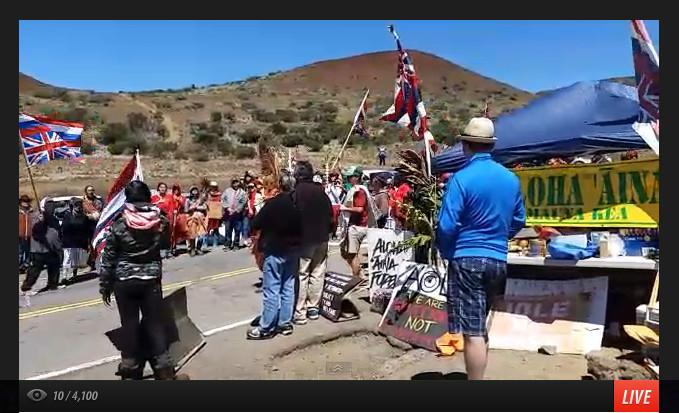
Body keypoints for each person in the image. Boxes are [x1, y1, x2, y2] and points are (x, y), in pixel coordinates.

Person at [435, 117, 526, 380]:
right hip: (498, 259)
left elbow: (447, 225)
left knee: (472, 331)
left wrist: (448, 251)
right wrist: (499, 236)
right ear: (490, 146)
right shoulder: (510, 179)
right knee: (480, 325)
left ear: (465, 145)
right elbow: (519, 220)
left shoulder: (461, 179)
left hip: (467, 258)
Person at [99, 180, 188, 380]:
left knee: (129, 325)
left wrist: (105, 286)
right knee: (155, 325)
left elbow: (109, 257)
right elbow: (166, 243)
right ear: (148, 197)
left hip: (124, 282)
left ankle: (131, 368)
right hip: (150, 280)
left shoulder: (119, 223)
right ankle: (164, 370)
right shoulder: (160, 222)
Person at [247, 174, 301, 339]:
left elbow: (256, 223)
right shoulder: (297, 204)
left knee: (272, 289)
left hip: (275, 250)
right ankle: (285, 322)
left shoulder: (273, 204)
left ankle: (267, 327)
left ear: (280, 186)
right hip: (293, 250)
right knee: (288, 287)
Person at [292, 161, 333, 325]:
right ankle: (313, 308)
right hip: (322, 237)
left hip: (304, 238)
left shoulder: (296, 193)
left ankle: (300, 311)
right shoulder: (321, 192)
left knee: (302, 274)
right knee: (318, 272)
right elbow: (331, 215)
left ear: (297, 175)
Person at [21, 198, 63, 295]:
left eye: (52, 204)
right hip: (40, 247)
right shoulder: (37, 216)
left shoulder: (53, 217)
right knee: (36, 268)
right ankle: (26, 287)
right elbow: (34, 229)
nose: (51, 206)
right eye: (49, 204)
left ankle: (53, 284)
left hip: (52, 247)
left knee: (54, 266)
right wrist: (40, 221)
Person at [339, 166, 374, 283]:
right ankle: (360, 276)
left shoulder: (359, 191)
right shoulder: (357, 189)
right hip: (356, 225)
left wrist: (344, 208)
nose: (348, 179)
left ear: (357, 177)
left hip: (357, 226)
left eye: (350, 177)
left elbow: (359, 209)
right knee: (347, 253)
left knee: (352, 255)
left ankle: (356, 280)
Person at [60, 198, 91, 284]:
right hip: (68, 241)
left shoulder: (84, 217)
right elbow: (64, 228)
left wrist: (87, 242)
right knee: (67, 259)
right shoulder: (68, 216)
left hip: (80, 241)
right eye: (76, 205)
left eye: (80, 205)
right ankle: (64, 277)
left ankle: (74, 275)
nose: (78, 207)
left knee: (76, 260)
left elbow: (87, 230)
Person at [221, 179, 247, 250]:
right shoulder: (227, 191)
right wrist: (227, 207)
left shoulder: (242, 192)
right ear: (232, 184)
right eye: (234, 183)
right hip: (228, 214)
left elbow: (243, 202)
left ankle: (236, 244)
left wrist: (237, 210)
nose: (235, 184)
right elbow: (223, 199)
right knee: (228, 229)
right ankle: (228, 244)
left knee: (237, 230)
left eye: (237, 183)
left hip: (237, 214)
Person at [82, 185, 103, 270]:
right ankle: (92, 261)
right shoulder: (83, 202)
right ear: (86, 191)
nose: (91, 192)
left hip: (97, 224)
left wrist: (98, 214)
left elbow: (101, 210)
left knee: (98, 242)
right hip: (88, 226)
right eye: (89, 190)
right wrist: (89, 216)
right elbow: (82, 213)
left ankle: (98, 260)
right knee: (91, 244)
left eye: (92, 190)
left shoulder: (98, 201)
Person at [151, 183, 174, 258]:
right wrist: (157, 203)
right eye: (161, 187)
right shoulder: (154, 197)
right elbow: (150, 206)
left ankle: (168, 251)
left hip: (166, 218)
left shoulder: (169, 197)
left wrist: (170, 218)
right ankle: (156, 252)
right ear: (158, 188)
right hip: (156, 218)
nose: (162, 189)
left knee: (167, 236)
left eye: (164, 187)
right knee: (156, 236)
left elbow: (171, 208)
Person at [185, 186, 207, 256]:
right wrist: (191, 209)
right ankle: (192, 249)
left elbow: (205, 207)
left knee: (201, 235)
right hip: (192, 218)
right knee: (192, 234)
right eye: (193, 190)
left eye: (196, 190)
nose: (194, 192)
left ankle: (199, 248)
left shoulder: (201, 200)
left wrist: (196, 207)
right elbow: (186, 210)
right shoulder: (188, 200)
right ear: (191, 192)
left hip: (201, 219)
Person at [169, 184, 188, 256]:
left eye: (177, 189)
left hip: (179, 215)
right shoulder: (170, 197)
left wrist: (178, 200)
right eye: (174, 189)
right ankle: (171, 247)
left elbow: (183, 206)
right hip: (171, 215)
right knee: (171, 232)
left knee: (177, 232)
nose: (176, 191)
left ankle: (174, 246)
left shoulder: (182, 198)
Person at [325, 174, 345, 241]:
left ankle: (334, 233)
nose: (333, 178)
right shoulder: (328, 185)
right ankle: (329, 233)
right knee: (329, 220)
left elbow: (337, 195)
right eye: (331, 176)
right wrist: (328, 188)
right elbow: (326, 193)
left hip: (335, 205)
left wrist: (333, 188)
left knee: (335, 220)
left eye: (334, 176)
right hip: (329, 204)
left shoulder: (337, 186)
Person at [205, 182, 223, 249]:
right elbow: (205, 201)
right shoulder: (208, 193)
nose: (213, 187)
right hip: (209, 213)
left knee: (216, 229)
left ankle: (215, 242)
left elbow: (221, 202)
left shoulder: (219, 194)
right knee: (207, 229)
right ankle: (205, 242)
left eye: (214, 186)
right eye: (212, 186)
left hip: (217, 214)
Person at [19, 195, 34, 273]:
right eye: (24, 202)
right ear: (21, 203)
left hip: (29, 235)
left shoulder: (31, 212)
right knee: (20, 252)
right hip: (20, 235)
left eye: (27, 201)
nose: (25, 203)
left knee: (29, 252)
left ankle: (25, 265)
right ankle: (20, 266)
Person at [242, 182, 257, 248]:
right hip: (247, 212)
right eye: (249, 187)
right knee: (245, 226)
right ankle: (245, 239)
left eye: (252, 187)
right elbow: (243, 202)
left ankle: (253, 241)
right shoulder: (246, 195)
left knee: (252, 227)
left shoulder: (257, 194)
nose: (251, 189)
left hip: (254, 212)